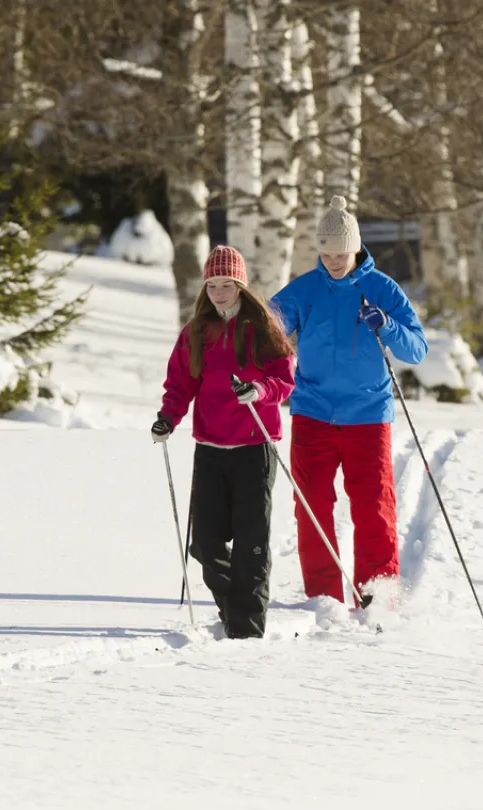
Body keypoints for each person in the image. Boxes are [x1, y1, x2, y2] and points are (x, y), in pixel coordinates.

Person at [270, 196, 428, 606]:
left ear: (356, 248)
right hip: (313, 413)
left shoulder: (382, 289)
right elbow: (267, 330)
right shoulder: (304, 290)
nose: (335, 261)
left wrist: (388, 324)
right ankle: (322, 597)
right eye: (326, 253)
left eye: (342, 253)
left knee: (374, 509)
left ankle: (377, 594)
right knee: (311, 509)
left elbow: (416, 350)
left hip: (368, 416)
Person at [153, 245, 296, 639]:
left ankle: (246, 631)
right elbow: (181, 382)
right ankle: (235, 609)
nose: (219, 292)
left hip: (254, 448)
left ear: (241, 285)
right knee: (204, 543)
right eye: (212, 284)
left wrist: (259, 390)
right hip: (211, 449)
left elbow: (284, 379)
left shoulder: (262, 328)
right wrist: (168, 417)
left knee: (251, 544)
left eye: (227, 284)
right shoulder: (197, 332)